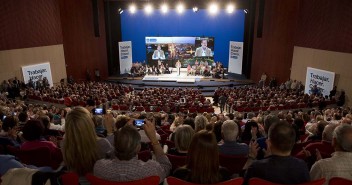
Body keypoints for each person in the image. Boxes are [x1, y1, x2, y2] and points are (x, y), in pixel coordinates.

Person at [93, 122, 171, 183]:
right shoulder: (151, 169)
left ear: (114, 145)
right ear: (138, 148)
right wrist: (154, 140)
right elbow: (166, 166)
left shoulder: (99, 167)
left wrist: (122, 134)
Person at [244, 121, 310, 185]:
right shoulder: (302, 166)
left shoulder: (256, 168)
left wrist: (251, 157)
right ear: (293, 142)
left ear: (269, 143)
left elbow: (242, 180)